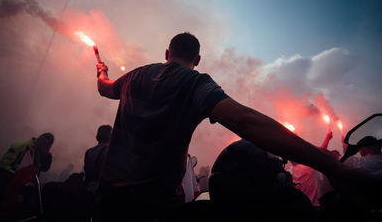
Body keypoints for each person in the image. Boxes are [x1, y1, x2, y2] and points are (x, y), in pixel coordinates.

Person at [96, 32, 382, 221]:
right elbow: (244, 120)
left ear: (167, 52)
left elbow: (105, 89)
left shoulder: (134, 77)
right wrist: (333, 167)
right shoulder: (194, 81)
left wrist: (102, 70)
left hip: (108, 202)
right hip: (154, 206)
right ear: (197, 60)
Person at [84, 124, 113, 190]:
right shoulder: (108, 151)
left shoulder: (89, 152)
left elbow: (87, 173)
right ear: (109, 136)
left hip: (89, 188)